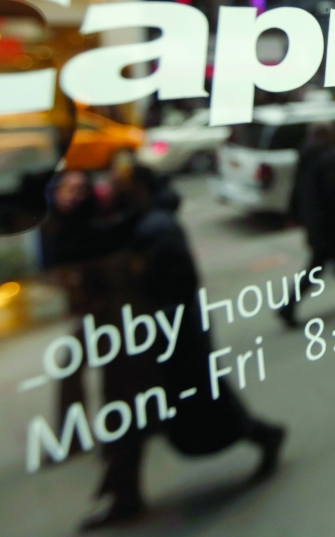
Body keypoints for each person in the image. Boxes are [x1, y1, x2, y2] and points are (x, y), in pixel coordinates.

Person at [82, 175, 286, 530]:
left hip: (172, 338)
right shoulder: (141, 227)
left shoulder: (155, 229)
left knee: (205, 406)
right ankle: (124, 493)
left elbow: (179, 283)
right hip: (157, 338)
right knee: (159, 414)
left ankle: (264, 434)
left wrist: (163, 329)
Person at [280, 123, 335, 328]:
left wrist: (296, 215)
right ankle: (288, 307)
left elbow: (297, 189)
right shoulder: (328, 159)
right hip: (329, 223)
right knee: (324, 264)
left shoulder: (307, 157)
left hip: (316, 221)